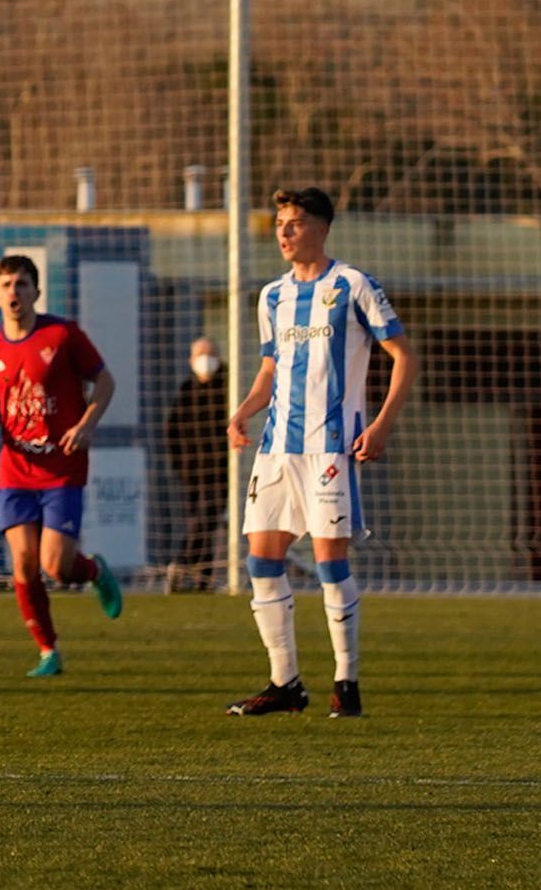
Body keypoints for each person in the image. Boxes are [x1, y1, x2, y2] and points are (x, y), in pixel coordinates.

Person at [225, 188, 418, 720]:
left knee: (331, 564)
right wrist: (243, 411)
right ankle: (285, 682)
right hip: (276, 451)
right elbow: (271, 369)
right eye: (280, 224)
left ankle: (346, 683)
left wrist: (380, 424)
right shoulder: (272, 297)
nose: (284, 233)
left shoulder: (353, 285)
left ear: (322, 228)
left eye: (295, 223)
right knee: (262, 561)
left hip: (331, 449)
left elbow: (403, 355)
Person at [0, 255, 126, 677]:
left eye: (22, 284)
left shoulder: (62, 334)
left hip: (62, 467)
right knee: (23, 564)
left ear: (36, 291)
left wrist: (87, 424)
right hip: (14, 470)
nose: (14, 291)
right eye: (7, 285)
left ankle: (92, 570)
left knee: (56, 566)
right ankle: (48, 651)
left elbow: (105, 382)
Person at [162, 337, 227, 591]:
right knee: (199, 522)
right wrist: (180, 466)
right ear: (190, 361)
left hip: (221, 472)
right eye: (200, 355)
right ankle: (196, 576)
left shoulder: (227, 388)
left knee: (207, 521)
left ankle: (186, 567)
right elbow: (172, 432)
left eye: (209, 354)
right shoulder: (186, 392)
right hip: (191, 473)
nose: (205, 360)